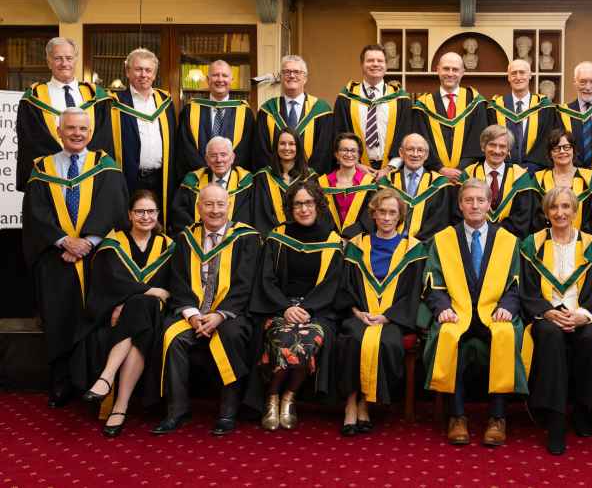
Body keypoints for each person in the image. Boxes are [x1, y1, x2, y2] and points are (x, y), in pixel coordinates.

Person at [22, 107, 128, 407]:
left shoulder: (105, 165)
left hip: (96, 255)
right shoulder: (43, 168)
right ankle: (61, 380)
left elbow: (111, 205)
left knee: (96, 316)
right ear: (59, 131)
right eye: (70, 128)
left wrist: (88, 242)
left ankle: (94, 378)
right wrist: (64, 241)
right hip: (56, 254)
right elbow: (36, 212)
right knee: (58, 315)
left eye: (82, 129)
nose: (77, 134)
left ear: (90, 133)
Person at [423, 179, 527, 447]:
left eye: (480, 200)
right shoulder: (443, 239)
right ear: (459, 205)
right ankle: (457, 416)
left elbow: (516, 284)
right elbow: (432, 282)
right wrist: (443, 308)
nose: (475, 205)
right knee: (448, 334)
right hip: (457, 313)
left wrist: (507, 307)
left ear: (490, 204)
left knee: (505, 334)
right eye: (468, 200)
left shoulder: (508, 241)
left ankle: (498, 417)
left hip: (494, 314)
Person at [152, 183, 261, 435]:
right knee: (172, 337)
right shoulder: (185, 238)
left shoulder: (247, 238)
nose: (214, 210)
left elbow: (246, 283)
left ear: (229, 206)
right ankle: (176, 409)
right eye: (208, 204)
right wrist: (192, 315)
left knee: (229, 335)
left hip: (231, 313)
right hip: (193, 312)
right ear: (198, 207)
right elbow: (178, 281)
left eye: (220, 204)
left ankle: (228, 410)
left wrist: (219, 315)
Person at [71, 190, 174, 437]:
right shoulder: (113, 244)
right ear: (129, 214)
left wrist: (136, 299)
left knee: (141, 306)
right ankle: (121, 404)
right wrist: (148, 291)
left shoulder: (168, 246)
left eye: (151, 211)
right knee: (140, 310)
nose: (146, 216)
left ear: (158, 214)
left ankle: (106, 377)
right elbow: (108, 283)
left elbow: (174, 286)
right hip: (119, 313)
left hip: (157, 315)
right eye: (139, 211)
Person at [520, 187, 592, 455]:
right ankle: (556, 418)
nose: (560, 213)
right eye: (554, 208)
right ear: (546, 213)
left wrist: (583, 315)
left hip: (581, 313)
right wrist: (547, 311)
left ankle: (584, 411)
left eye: (565, 207)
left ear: (575, 211)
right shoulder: (531, 245)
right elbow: (527, 289)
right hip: (547, 314)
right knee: (550, 335)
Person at [245, 180, 343, 431]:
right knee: (283, 337)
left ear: (318, 205)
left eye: (309, 203)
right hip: (279, 308)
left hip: (316, 311)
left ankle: (287, 395)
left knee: (307, 339)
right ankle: (272, 396)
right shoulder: (278, 237)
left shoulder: (332, 240)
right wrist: (285, 307)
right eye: (297, 204)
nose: (304, 209)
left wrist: (308, 309)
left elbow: (332, 284)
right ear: (290, 207)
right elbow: (265, 278)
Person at [336, 189, 426, 435]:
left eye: (392, 213)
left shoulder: (413, 249)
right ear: (373, 214)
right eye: (382, 212)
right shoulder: (356, 246)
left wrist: (388, 316)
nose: (386, 217)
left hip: (394, 317)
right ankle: (351, 403)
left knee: (388, 342)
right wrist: (356, 312)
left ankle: (366, 401)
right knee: (352, 338)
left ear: (400, 217)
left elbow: (415, 292)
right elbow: (344, 286)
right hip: (360, 315)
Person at [16, 37, 114, 191]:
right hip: (50, 176)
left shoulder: (95, 96)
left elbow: (104, 137)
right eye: (58, 58)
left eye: (69, 58)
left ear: (75, 60)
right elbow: (31, 141)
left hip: (91, 173)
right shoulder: (34, 98)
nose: (64, 63)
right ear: (49, 62)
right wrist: (59, 162)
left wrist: (86, 164)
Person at [108, 48, 177, 226]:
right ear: (127, 72)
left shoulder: (165, 101)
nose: (143, 74)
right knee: (129, 225)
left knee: (159, 225)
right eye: (138, 69)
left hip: (160, 178)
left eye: (148, 70)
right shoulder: (115, 103)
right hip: (129, 177)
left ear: (154, 74)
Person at [334, 44, 412, 175]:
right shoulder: (346, 98)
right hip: (354, 169)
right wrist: (357, 165)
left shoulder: (401, 99)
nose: (375, 64)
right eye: (370, 60)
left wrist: (390, 168)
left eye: (380, 61)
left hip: (392, 171)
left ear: (386, 65)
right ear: (362, 64)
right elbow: (338, 134)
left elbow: (405, 135)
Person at [412, 52, 488, 181]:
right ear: (438, 70)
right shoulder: (423, 104)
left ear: (463, 72)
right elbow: (421, 138)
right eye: (446, 69)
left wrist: (460, 169)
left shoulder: (475, 102)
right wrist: (439, 168)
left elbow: (478, 140)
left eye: (455, 70)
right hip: (432, 176)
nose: (450, 73)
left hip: (468, 175)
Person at [175, 60, 255, 181]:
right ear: (208, 80)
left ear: (231, 80)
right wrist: (206, 173)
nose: (220, 79)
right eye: (215, 75)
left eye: (224, 75)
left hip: (232, 181)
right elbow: (185, 147)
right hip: (198, 180)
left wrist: (226, 174)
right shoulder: (190, 110)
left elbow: (245, 150)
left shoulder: (245, 112)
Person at [254, 55, 334, 174]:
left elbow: (323, 152)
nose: (291, 75)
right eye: (286, 72)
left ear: (305, 78)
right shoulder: (267, 110)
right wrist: (276, 177)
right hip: (275, 180)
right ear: (280, 77)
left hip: (309, 182)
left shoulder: (322, 110)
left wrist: (308, 178)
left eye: (297, 72)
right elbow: (261, 150)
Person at [459, 125, 537, 239]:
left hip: (508, 241)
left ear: (508, 150)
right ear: (483, 147)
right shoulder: (468, 175)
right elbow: (459, 212)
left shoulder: (520, 177)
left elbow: (523, 217)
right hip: (472, 239)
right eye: (492, 145)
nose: (497, 151)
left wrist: (493, 236)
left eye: (502, 146)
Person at [533, 128, 592, 239]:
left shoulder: (591, 180)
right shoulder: (538, 180)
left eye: (567, 147)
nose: (562, 151)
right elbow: (535, 219)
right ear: (550, 153)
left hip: (584, 245)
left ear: (574, 150)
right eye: (556, 148)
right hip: (547, 244)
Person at [377, 133, 453, 242]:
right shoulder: (387, 182)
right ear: (401, 153)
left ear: (426, 155)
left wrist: (417, 244)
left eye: (420, 150)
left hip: (425, 246)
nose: (415, 154)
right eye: (410, 149)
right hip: (389, 243)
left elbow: (439, 220)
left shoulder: (439, 185)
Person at [170, 136, 254, 235]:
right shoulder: (193, 181)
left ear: (232, 158)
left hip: (236, 241)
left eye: (223, 155)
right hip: (198, 241)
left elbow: (249, 215)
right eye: (213, 155)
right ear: (207, 159)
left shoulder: (246, 183)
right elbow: (179, 215)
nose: (219, 160)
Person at [487, 59, 559, 172]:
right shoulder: (495, 107)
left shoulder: (545, 107)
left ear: (530, 75)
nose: (518, 77)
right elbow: (490, 140)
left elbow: (546, 138)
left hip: (536, 171)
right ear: (508, 77)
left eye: (522, 72)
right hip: (502, 170)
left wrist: (531, 166)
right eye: (513, 73)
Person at [251, 128, 315, 235]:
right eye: (282, 143)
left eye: (291, 144)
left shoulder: (310, 177)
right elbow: (261, 214)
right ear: (276, 147)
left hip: (304, 239)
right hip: (272, 238)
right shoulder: (263, 177)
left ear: (298, 147)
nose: (286, 148)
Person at [317, 133, 377, 238]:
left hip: (359, 241)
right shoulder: (322, 183)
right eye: (344, 150)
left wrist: (348, 236)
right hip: (328, 240)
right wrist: (334, 237)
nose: (349, 154)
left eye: (353, 151)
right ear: (336, 154)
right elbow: (319, 214)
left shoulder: (369, 184)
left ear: (359, 155)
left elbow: (370, 218)